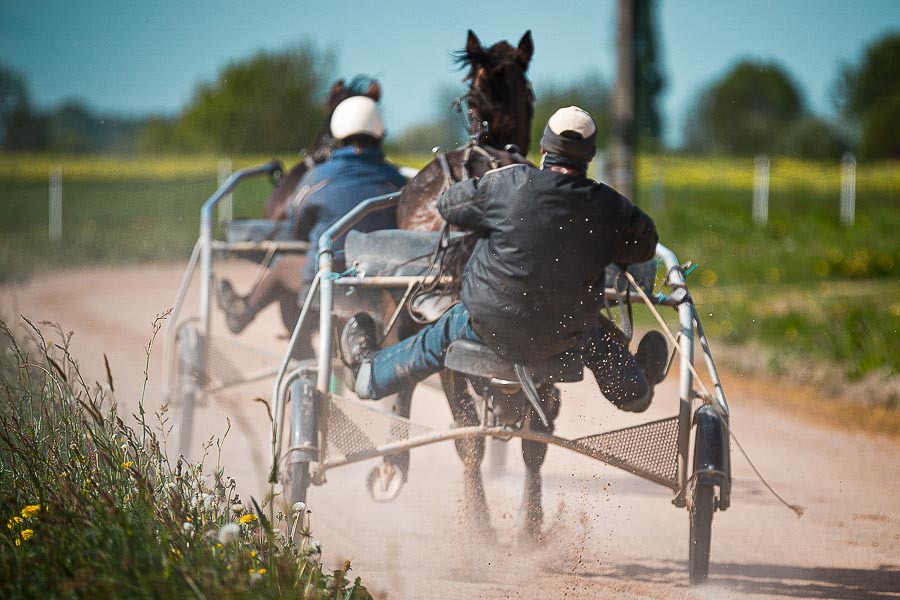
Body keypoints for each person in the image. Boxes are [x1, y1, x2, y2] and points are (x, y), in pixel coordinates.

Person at [340, 106, 668, 412]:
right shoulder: (611, 208)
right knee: (603, 340)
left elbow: (448, 206)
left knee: (433, 340)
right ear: (590, 155)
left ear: (543, 150)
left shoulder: (507, 184)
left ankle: (369, 376)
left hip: (488, 325)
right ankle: (636, 393)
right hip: (568, 332)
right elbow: (645, 246)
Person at [217, 95, 407, 357]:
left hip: (332, 279)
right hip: (383, 281)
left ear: (338, 131)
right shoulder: (395, 178)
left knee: (284, 266)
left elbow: (298, 227)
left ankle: (243, 313)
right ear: (380, 131)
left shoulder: (318, 176)